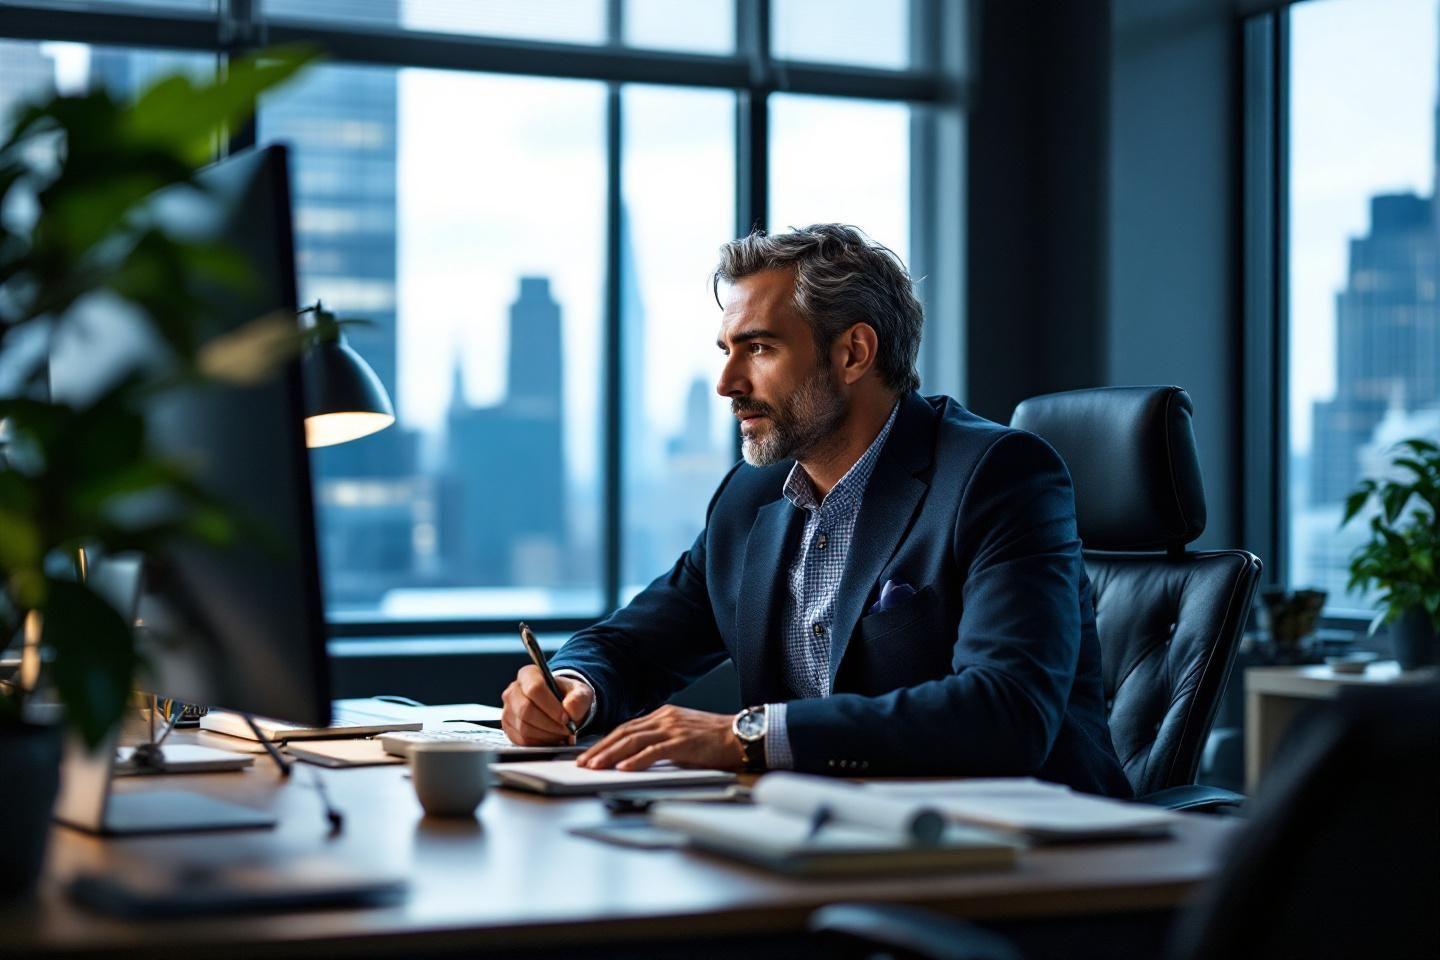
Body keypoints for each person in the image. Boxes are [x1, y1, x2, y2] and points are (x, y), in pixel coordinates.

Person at [501, 223, 1130, 796]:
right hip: (817, 839)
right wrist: (574, 684)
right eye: (726, 350)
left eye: (760, 349)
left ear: (853, 353)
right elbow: (633, 644)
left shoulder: (999, 475)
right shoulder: (750, 499)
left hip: (1025, 857)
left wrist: (747, 734)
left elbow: (1005, 713)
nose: (728, 382)